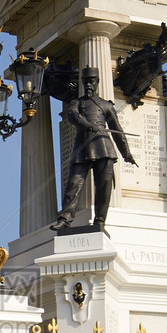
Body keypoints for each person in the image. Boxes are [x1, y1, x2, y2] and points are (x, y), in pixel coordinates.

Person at [51, 66, 137, 233]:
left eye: (92, 81)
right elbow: (72, 116)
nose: (89, 84)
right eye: (86, 81)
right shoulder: (77, 102)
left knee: (104, 186)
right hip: (82, 147)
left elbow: (118, 131)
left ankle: (100, 221)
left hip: (104, 148)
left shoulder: (106, 106)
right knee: (73, 184)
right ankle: (65, 219)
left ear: (97, 82)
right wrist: (89, 126)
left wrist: (127, 154)